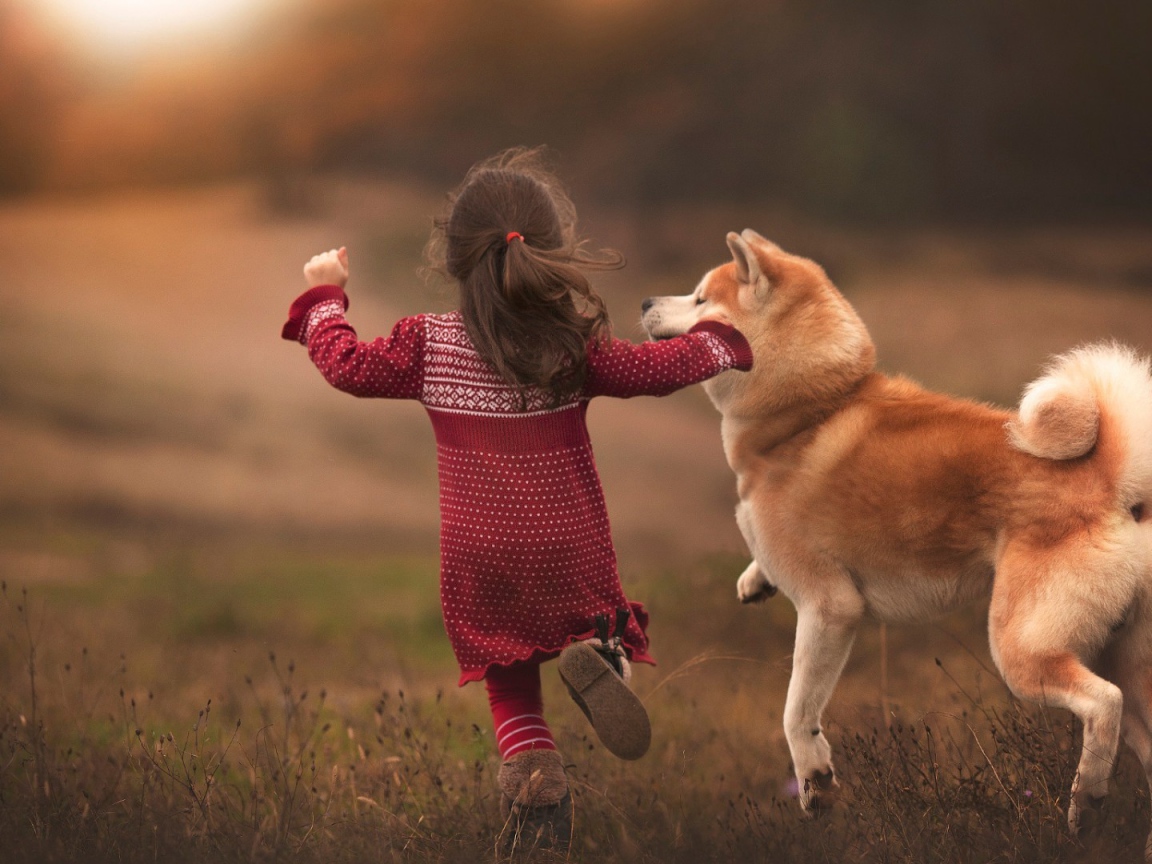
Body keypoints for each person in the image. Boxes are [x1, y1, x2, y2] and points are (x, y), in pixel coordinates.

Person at [281, 148, 752, 852]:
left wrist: (325, 296)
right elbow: (660, 368)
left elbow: (346, 366)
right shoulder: (571, 347)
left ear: (456, 259)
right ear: (549, 254)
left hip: (480, 561)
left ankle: (537, 791)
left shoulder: (427, 343)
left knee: (512, 691)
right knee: (593, 622)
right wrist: (723, 339)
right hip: (568, 546)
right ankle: (601, 654)